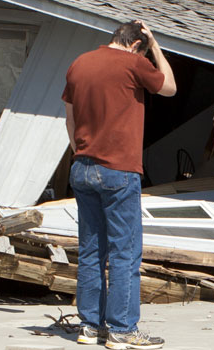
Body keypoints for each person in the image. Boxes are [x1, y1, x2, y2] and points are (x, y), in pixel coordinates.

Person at [61, 20, 176, 349]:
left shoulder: (79, 63)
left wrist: (79, 152)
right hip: (119, 169)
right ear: (136, 45)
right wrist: (156, 46)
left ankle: (89, 327)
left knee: (91, 251)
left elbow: (69, 117)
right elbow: (169, 87)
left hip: (82, 166)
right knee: (125, 253)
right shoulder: (135, 62)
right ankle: (122, 330)